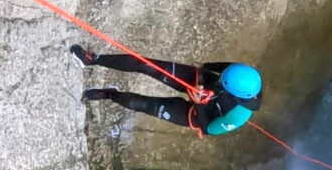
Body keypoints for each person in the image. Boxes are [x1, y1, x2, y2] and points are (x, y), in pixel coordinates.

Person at [71, 45, 262, 136]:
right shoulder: (244, 75)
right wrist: (206, 67)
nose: (222, 81)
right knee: (145, 65)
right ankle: (93, 60)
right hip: (204, 83)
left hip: (199, 113)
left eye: (224, 84)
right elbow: (226, 68)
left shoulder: (238, 116)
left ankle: (109, 94)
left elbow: (208, 129)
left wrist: (198, 103)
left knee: (141, 104)